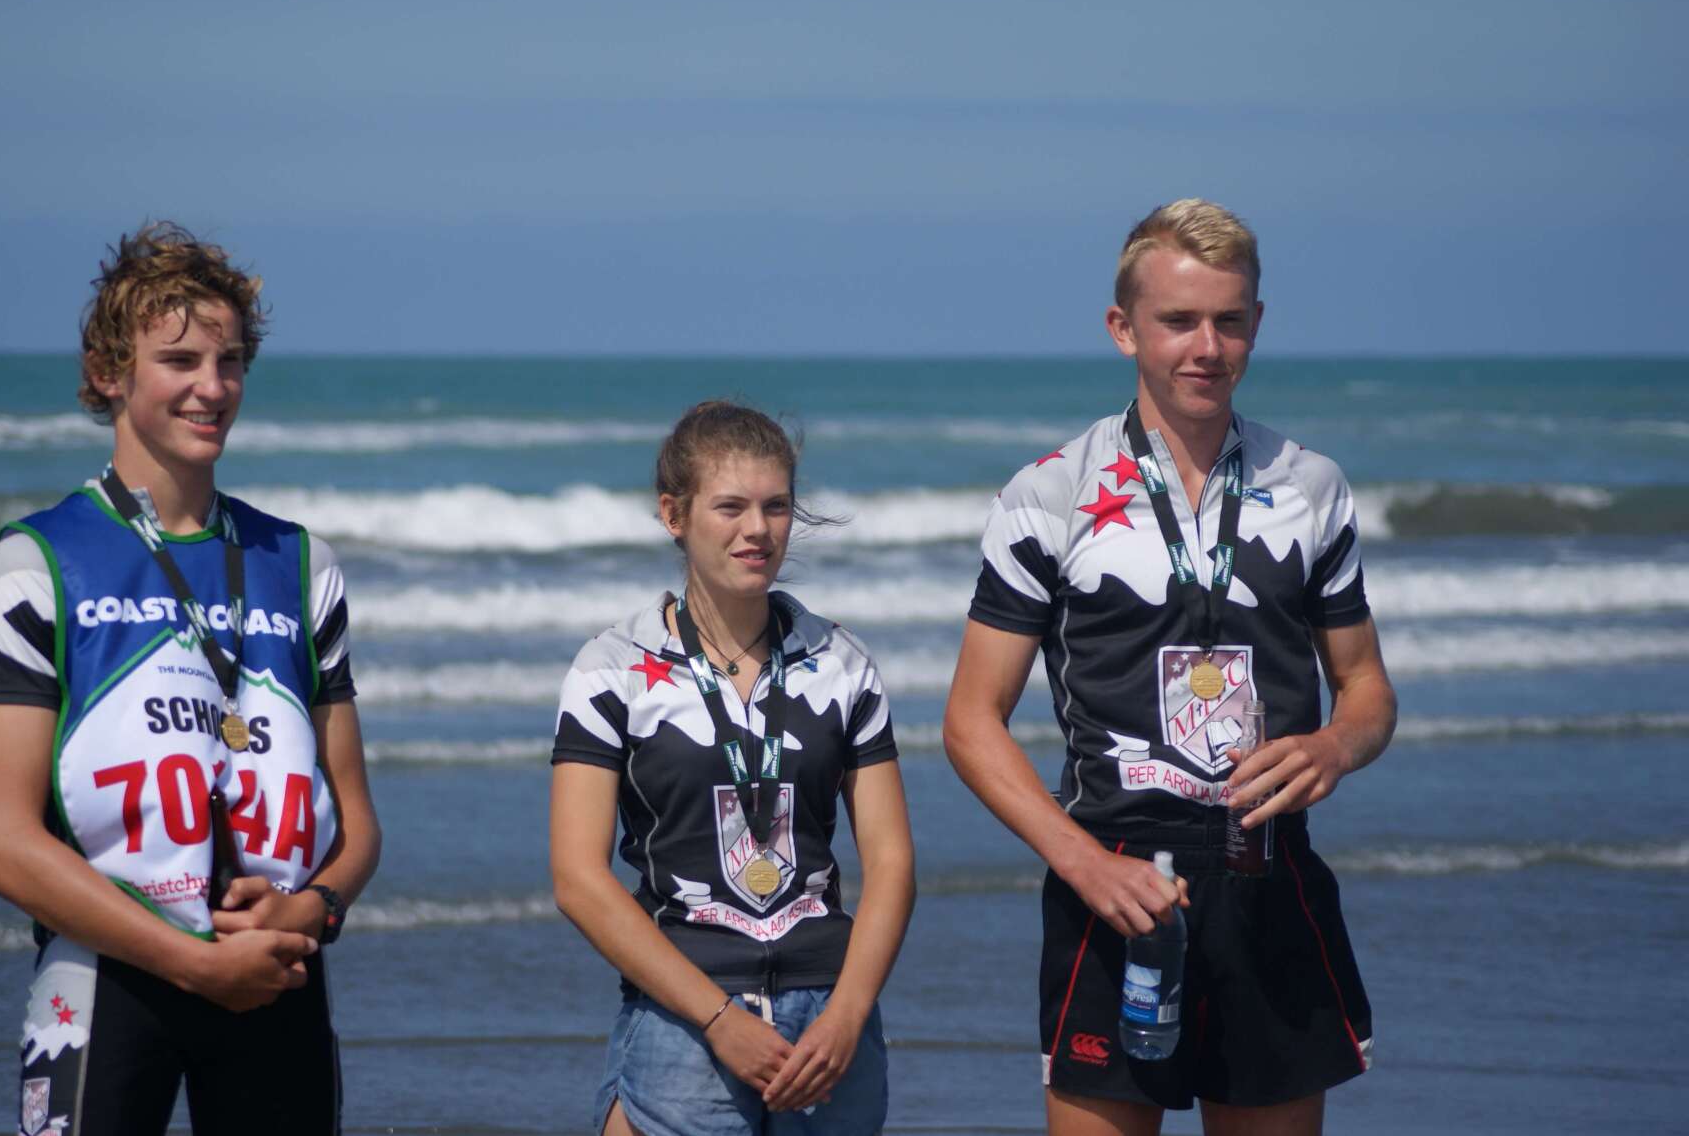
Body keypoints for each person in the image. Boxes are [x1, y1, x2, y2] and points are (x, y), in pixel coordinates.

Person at [942, 199, 1396, 1136]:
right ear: (1124, 330)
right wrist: (1078, 864)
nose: (1207, 346)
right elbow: (971, 720)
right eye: (1179, 321)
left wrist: (1337, 748)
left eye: (1229, 321)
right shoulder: (1051, 494)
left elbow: (1367, 690)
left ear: (1257, 326)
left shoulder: (1310, 485)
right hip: (1115, 885)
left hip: (1271, 879)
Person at [0, 222, 381, 1136]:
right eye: (180, 359)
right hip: (105, 978)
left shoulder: (301, 563)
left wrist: (313, 907)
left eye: (230, 361)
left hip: (277, 969)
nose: (213, 387)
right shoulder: (38, 562)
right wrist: (189, 965)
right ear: (111, 371)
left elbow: (356, 829)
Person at [551, 401, 917, 1136]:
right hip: (687, 1018)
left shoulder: (841, 662)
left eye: (776, 506)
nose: (758, 529)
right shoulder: (612, 669)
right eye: (731, 506)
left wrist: (847, 1017)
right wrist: (719, 1020)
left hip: (828, 1026)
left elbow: (892, 860)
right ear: (673, 514)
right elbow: (578, 879)